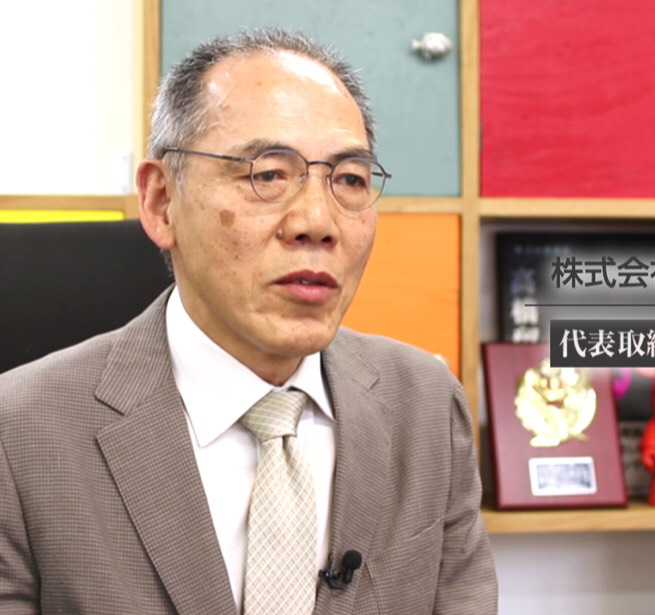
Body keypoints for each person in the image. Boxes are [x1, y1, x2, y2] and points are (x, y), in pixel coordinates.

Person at [0, 29, 497, 614]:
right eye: (268, 174)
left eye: (349, 179)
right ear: (161, 202)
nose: (317, 222)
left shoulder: (428, 406)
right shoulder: (19, 436)